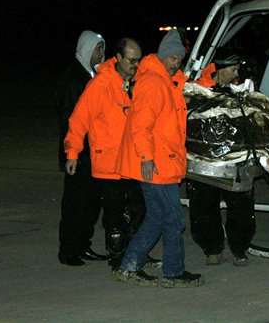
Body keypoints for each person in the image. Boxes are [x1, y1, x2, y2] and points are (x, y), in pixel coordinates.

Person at [113, 29, 203, 288]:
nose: (175, 62)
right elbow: (141, 126)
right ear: (162, 56)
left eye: (179, 58)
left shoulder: (167, 82)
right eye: (171, 57)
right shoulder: (154, 82)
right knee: (172, 218)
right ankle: (172, 272)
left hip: (165, 161)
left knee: (158, 217)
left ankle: (129, 266)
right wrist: (146, 158)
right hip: (155, 164)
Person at [64, 38, 143, 271]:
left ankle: (134, 255)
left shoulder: (134, 83)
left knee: (139, 211)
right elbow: (78, 120)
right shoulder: (101, 85)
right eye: (131, 60)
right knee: (115, 218)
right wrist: (72, 152)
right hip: (108, 164)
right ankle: (120, 264)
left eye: (138, 60)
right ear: (118, 58)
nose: (135, 65)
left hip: (132, 162)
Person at [187, 49, 256, 267]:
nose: (237, 74)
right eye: (233, 69)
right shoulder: (198, 89)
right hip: (204, 162)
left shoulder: (239, 90)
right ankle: (212, 248)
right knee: (204, 205)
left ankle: (239, 248)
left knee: (241, 206)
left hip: (234, 161)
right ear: (220, 68)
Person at [56, 30, 107, 266]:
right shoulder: (72, 78)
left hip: (95, 152)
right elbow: (68, 118)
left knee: (91, 204)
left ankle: (83, 245)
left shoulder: (96, 75)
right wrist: (72, 152)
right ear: (87, 49)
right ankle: (68, 251)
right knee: (75, 204)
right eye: (98, 48)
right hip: (79, 153)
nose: (102, 53)